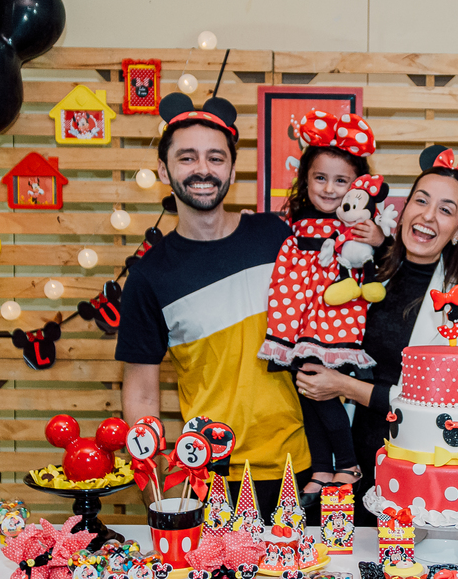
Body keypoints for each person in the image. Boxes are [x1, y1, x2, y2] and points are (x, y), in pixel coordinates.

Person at [116, 92, 311, 513]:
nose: (202, 169)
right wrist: (155, 487)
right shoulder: (149, 276)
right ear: (163, 172)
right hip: (206, 474)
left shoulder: (277, 237)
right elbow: (143, 395)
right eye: (187, 158)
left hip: (297, 465)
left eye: (215, 158)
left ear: (232, 170)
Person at [296, 146, 458, 524]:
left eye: (445, 209)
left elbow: (447, 410)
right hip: (343, 458)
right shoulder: (368, 270)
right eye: (420, 201)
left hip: (412, 467)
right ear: (403, 209)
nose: (427, 215)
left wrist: (341, 385)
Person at [258, 111, 393, 511]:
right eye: (320, 178)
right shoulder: (295, 222)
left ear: (358, 187)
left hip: (334, 317)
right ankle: (321, 466)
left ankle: (347, 464)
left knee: (321, 384)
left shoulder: (353, 222)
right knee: (306, 389)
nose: (330, 189)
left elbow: (379, 256)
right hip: (298, 315)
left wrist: (380, 237)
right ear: (305, 179)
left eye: (341, 181)